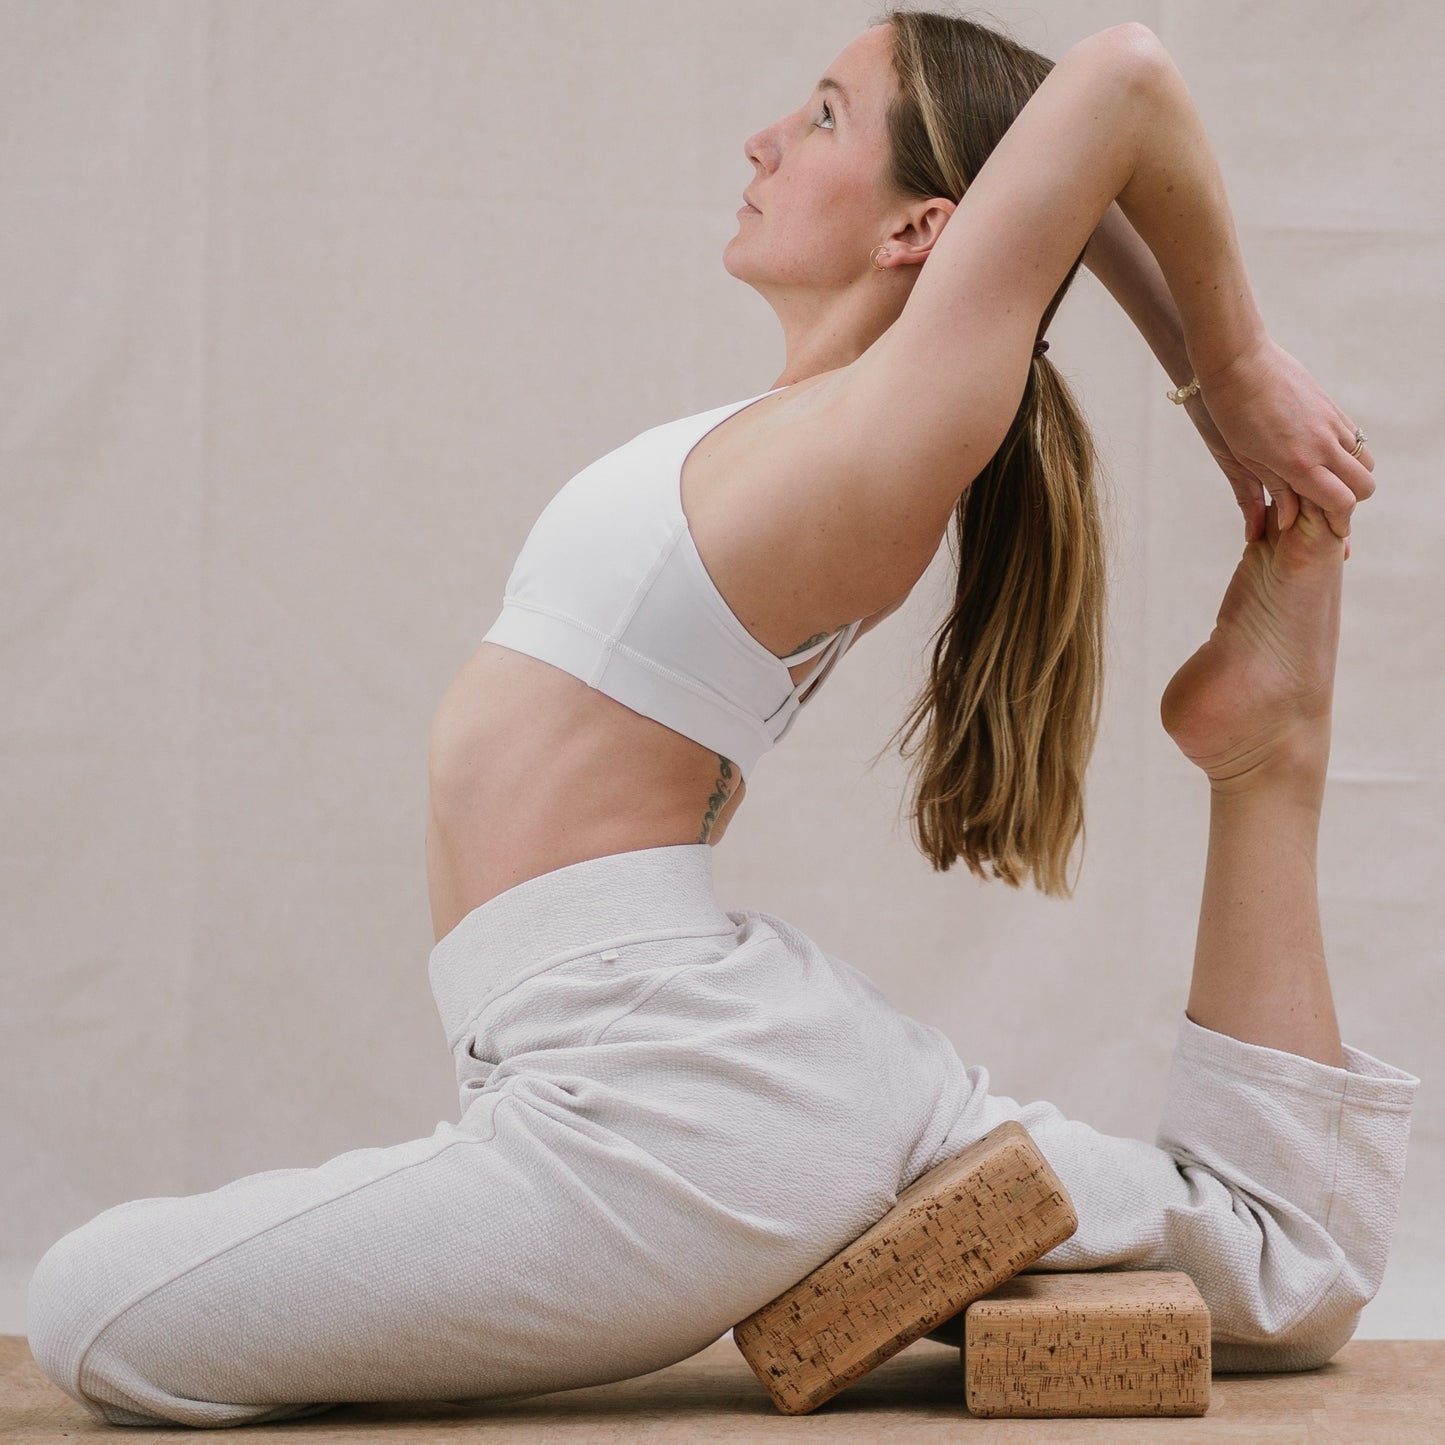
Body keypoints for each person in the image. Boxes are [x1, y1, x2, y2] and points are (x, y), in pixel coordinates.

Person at [26, 9, 1418, 1428]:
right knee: (1269, 1257)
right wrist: (1189, 356)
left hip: (669, 1107)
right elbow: (1077, 159)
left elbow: (1120, 82)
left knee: (91, 1308)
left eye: (820, 117)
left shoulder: (893, 428)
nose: (761, 138)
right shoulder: (819, 421)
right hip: (713, 1056)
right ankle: (1269, 753)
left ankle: (1273, 755)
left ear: (918, 229)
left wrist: (1226, 373)